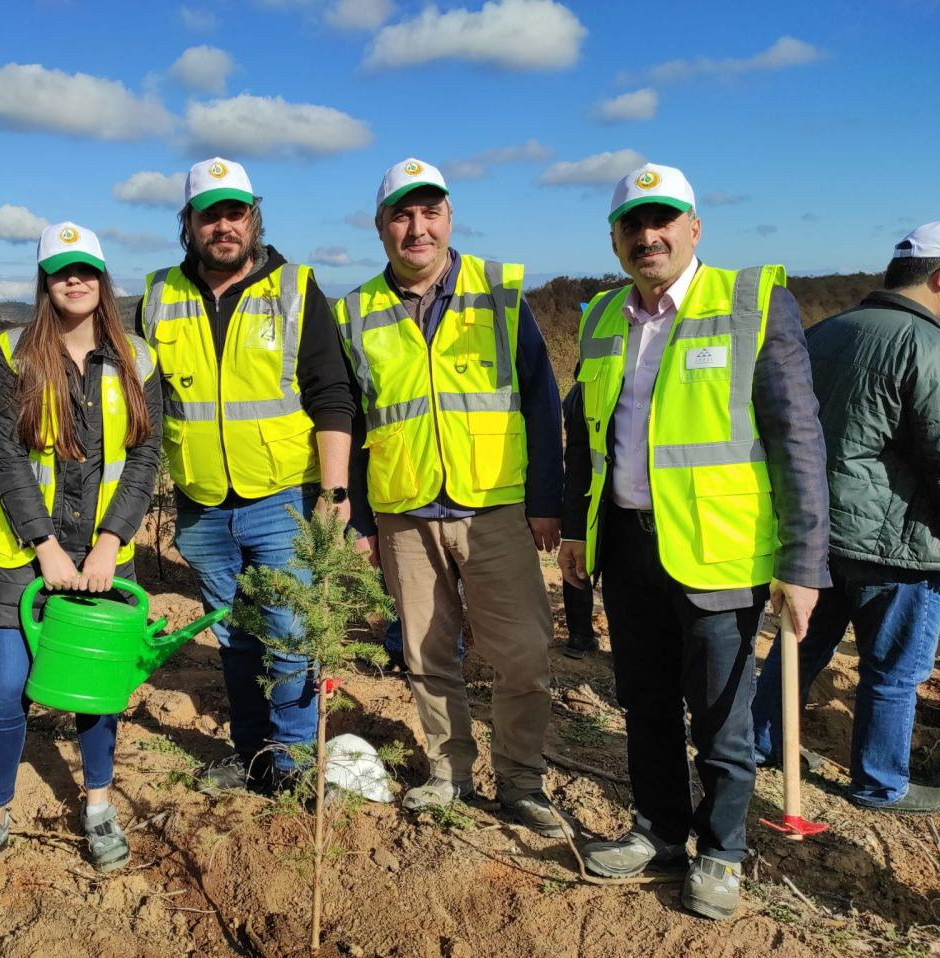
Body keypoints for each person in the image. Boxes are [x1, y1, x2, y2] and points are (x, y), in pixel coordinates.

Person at [558, 164, 829, 921]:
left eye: (664, 220)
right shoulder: (603, 317)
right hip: (629, 547)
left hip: (720, 552)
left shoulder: (752, 304)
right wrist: (582, 531)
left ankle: (723, 851)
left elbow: (797, 438)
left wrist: (803, 564)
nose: (650, 236)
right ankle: (659, 831)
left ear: (695, 226)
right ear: (615, 239)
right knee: (642, 703)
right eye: (633, 225)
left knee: (718, 718)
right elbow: (589, 438)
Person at [334, 158, 567, 837]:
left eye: (429, 212)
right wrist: (358, 517)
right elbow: (347, 418)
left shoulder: (498, 293)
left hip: (495, 506)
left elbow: (540, 398)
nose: (417, 228)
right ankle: (448, 772)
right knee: (428, 656)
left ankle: (522, 781)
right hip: (404, 511)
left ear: (449, 219)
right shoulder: (355, 312)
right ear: (381, 228)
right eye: (402, 215)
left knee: (522, 653)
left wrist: (546, 499)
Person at [0, 223, 162, 878]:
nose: (75, 280)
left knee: (95, 691)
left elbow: (144, 459)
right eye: (61, 270)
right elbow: (7, 461)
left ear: (101, 278)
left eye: (85, 269)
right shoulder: (13, 356)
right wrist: (45, 546)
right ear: (44, 280)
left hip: (100, 561)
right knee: (6, 688)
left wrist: (110, 543)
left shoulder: (137, 360)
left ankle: (96, 806)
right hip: (19, 559)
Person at [138, 157, 357, 794]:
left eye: (236, 213)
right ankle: (252, 753)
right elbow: (145, 404)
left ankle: (295, 763)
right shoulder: (157, 297)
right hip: (201, 503)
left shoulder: (294, 287)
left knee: (290, 633)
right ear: (190, 223)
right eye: (211, 214)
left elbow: (332, 393)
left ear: (254, 219)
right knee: (232, 635)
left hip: (283, 497)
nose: (224, 226)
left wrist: (335, 491)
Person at [753, 222, 940, 813]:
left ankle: (760, 743)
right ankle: (880, 784)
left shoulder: (823, 331)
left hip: (813, 536)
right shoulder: (928, 347)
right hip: (897, 546)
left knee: (802, 646)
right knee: (892, 670)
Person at [560, 385, 598, 659]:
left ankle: (579, 635)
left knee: (578, 562)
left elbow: (573, 455)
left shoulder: (577, 395)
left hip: (582, 491)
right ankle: (580, 634)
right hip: (614, 495)